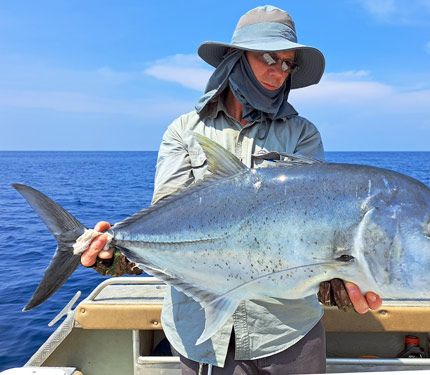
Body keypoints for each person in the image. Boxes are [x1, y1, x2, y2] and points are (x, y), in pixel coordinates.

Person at [81, 6, 382, 374]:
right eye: (269, 57)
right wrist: (117, 256)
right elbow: (168, 220)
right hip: (203, 332)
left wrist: (336, 279)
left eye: (288, 64)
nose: (279, 71)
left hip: (286, 332)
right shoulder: (184, 130)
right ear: (233, 58)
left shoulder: (301, 133)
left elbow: (312, 230)